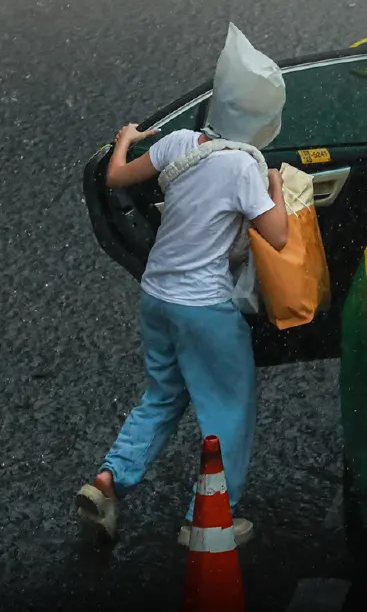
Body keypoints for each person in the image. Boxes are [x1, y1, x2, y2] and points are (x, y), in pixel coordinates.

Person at [74, 116, 289, 546]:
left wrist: (125, 141)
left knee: (163, 394)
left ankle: (109, 479)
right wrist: (276, 186)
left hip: (157, 295)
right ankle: (207, 522)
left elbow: (116, 177)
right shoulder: (243, 167)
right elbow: (279, 235)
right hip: (203, 306)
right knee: (229, 407)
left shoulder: (179, 143)